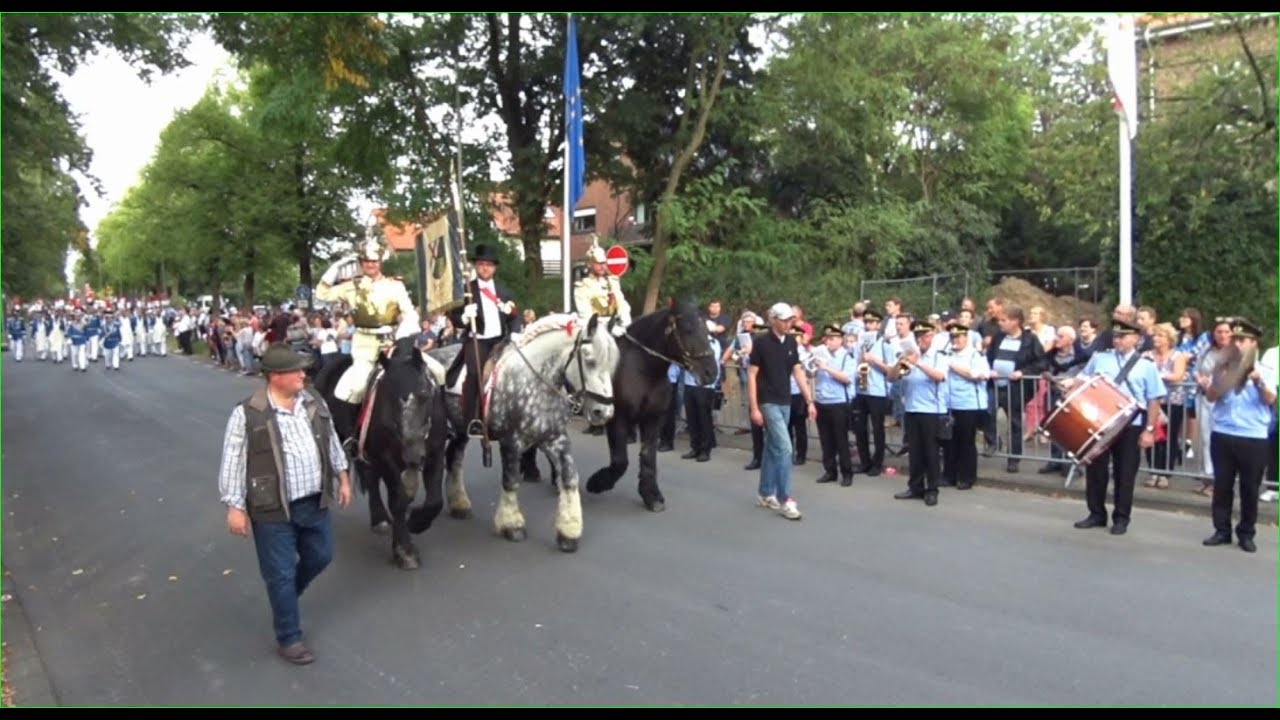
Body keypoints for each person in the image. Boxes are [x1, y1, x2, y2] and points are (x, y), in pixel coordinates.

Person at [217, 343, 353, 665]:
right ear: (276, 376)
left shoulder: (314, 401)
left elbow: (331, 440)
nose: (303, 375)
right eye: (296, 370)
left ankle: (287, 595)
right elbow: (233, 459)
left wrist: (343, 476)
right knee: (279, 573)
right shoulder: (247, 412)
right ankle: (289, 637)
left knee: (322, 555)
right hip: (272, 508)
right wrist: (235, 506)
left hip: (314, 502)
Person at [314, 233, 425, 447]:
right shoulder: (350, 286)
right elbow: (322, 293)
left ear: (380, 262)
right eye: (365, 261)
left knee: (433, 373)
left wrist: (404, 333)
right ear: (360, 262)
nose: (370, 265)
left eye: (373, 261)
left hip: (394, 343)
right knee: (353, 388)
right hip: (364, 345)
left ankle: (439, 428)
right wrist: (336, 266)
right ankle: (351, 435)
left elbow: (409, 312)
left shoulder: (395, 286)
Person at [1065, 319, 1166, 536]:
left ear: (1136, 339)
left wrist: (1149, 430)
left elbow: (1154, 399)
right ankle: (1096, 513)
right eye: (1116, 336)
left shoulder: (1146, 366)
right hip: (1100, 423)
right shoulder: (1100, 358)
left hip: (1130, 426)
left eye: (1123, 336)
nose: (1118, 340)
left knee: (1125, 473)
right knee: (1096, 470)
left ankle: (1121, 518)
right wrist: (1070, 383)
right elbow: (1083, 379)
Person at [1196, 318, 1276, 553]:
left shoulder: (1266, 370)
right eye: (1236, 340)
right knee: (1222, 486)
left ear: (1254, 343)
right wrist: (1217, 383)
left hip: (1253, 436)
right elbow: (1211, 397)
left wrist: (1259, 381)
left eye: (1243, 341)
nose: (1238, 345)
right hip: (1224, 432)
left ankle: (1246, 533)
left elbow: (1271, 400)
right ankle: (1221, 530)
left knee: (1250, 488)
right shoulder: (1223, 367)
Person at [747, 302, 815, 521]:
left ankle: (765, 492)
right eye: (784, 320)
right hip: (767, 401)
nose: (788, 324)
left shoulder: (792, 342)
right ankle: (786, 499)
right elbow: (751, 375)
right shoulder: (761, 342)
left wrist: (809, 400)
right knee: (785, 448)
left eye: (790, 320)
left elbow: (797, 371)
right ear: (773, 320)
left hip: (785, 400)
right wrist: (754, 407)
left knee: (772, 446)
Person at [447, 243, 523, 430]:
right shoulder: (467, 290)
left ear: (495, 268)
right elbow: (454, 317)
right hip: (477, 339)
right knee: (475, 374)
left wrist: (514, 332)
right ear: (476, 266)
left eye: (489, 265)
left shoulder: (504, 291)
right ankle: (473, 419)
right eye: (481, 264)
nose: (485, 268)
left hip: (501, 340)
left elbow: (515, 315)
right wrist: (465, 317)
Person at [572, 239, 632, 333]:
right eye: (599, 263)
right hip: (594, 331)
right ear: (590, 264)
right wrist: (608, 328)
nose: (603, 266)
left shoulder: (612, 281)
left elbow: (621, 303)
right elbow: (586, 316)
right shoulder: (582, 286)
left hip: (616, 326)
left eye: (604, 263)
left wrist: (625, 320)